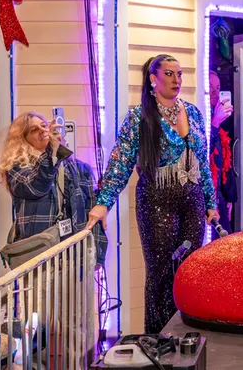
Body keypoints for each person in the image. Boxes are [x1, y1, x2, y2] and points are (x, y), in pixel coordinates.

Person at [86, 54, 217, 333]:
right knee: (160, 274)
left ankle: (186, 336)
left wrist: (210, 202)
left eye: (179, 74)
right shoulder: (139, 117)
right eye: (169, 74)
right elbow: (121, 162)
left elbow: (203, 162)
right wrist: (103, 203)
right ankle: (159, 339)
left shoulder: (193, 113)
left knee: (190, 270)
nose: (176, 79)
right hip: (157, 200)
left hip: (193, 201)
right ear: (153, 79)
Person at [0, 112, 107, 266]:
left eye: (44, 126)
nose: (42, 130)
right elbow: (36, 187)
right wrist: (52, 151)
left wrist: (98, 255)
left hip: (74, 255)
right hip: (38, 258)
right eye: (34, 130)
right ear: (23, 140)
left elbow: (92, 211)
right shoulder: (17, 167)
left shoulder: (80, 168)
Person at [208, 71, 235, 236]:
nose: (215, 92)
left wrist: (229, 196)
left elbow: (225, 161)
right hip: (206, 197)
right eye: (210, 87)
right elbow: (203, 155)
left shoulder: (218, 115)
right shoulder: (200, 116)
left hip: (219, 196)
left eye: (218, 88)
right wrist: (214, 124)